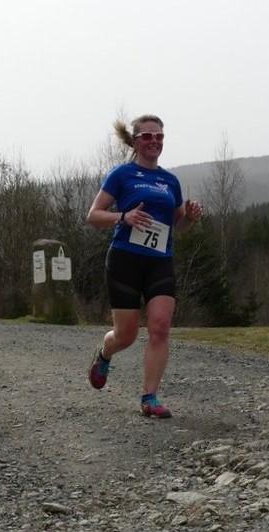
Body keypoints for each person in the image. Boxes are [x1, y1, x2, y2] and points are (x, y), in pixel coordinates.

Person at [86, 114, 203, 418]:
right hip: (125, 259)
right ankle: (105, 354)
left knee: (160, 327)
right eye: (148, 136)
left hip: (159, 262)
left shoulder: (170, 181)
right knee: (126, 335)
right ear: (135, 142)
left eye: (159, 136)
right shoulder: (122, 175)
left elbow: (178, 225)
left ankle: (149, 398)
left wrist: (190, 218)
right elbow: (94, 215)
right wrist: (123, 217)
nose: (154, 141)